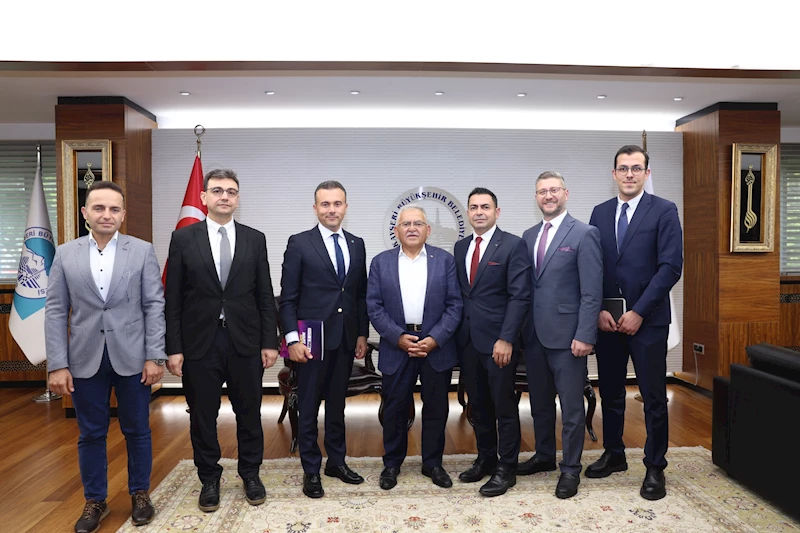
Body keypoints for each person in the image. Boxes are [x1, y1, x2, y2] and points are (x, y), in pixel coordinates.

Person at [45, 181, 166, 532]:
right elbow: (56, 311)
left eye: (114, 209)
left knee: (137, 429)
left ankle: (140, 494)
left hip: (134, 358)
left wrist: (155, 356)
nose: (106, 215)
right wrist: (58, 364)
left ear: (123, 214)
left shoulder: (141, 251)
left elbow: (154, 306)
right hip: (84, 359)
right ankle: (95, 500)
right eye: (99, 208)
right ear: (86, 213)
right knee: (91, 434)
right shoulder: (65, 254)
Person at [164, 169, 279, 512]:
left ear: (238, 198)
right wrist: (174, 347)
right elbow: (173, 298)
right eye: (217, 190)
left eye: (231, 191)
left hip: (246, 342)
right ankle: (209, 479)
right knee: (202, 415)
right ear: (204, 197)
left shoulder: (255, 239)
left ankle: (251, 474)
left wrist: (269, 341)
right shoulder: (183, 238)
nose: (224, 196)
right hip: (200, 343)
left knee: (250, 412)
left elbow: (264, 294)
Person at [587, 145, 683, 501]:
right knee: (611, 392)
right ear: (614, 174)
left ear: (646, 173)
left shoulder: (664, 210)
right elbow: (593, 266)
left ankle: (655, 466)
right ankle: (614, 454)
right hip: (608, 322)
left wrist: (639, 311)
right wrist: (599, 308)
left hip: (649, 321)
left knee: (653, 397)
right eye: (623, 168)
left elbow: (670, 267)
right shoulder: (599, 212)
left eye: (636, 168)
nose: (629, 174)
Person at [279, 180, 369, 499]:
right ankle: (311, 470)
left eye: (337, 203)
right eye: (325, 204)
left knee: (337, 405)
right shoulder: (299, 243)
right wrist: (292, 340)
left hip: (344, 339)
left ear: (346, 207)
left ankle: (337, 462)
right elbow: (288, 298)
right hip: (310, 342)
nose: (332, 209)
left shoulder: (357, 244)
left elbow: (359, 294)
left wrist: (361, 333)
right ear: (315, 208)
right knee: (308, 406)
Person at [518, 171, 602, 499]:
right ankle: (543, 455)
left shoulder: (584, 233)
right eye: (542, 191)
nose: (548, 196)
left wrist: (585, 334)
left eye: (554, 190)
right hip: (534, 337)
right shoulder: (528, 236)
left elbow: (591, 291)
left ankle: (570, 469)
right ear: (536, 197)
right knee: (540, 404)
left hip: (569, 339)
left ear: (566, 194)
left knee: (571, 409)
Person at [366, 205, 463, 490]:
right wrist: (397, 336)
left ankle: (433, 463)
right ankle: (392, 464)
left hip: (435, 346)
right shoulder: (380, 262)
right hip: (397, 345)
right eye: (405, 224)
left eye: (417, 223)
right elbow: (374, 306)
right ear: (396, 231)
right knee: (395, 408)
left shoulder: (444, 260)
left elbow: (455, 305)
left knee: (436, 408)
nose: (411, 228)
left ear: (428, 230)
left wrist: (434, 339)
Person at [453, 187, 531, 497]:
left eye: (485, 207)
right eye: (474, 207)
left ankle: (507, 468)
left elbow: (519, 296)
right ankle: (486, 459)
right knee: (478, 406)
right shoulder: (460, 247)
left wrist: (507, 338)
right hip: (468, 342)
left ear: (497, 212)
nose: (479, 212)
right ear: (468, 213)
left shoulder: (513, 245)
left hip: (499, 343)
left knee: (504, 407)